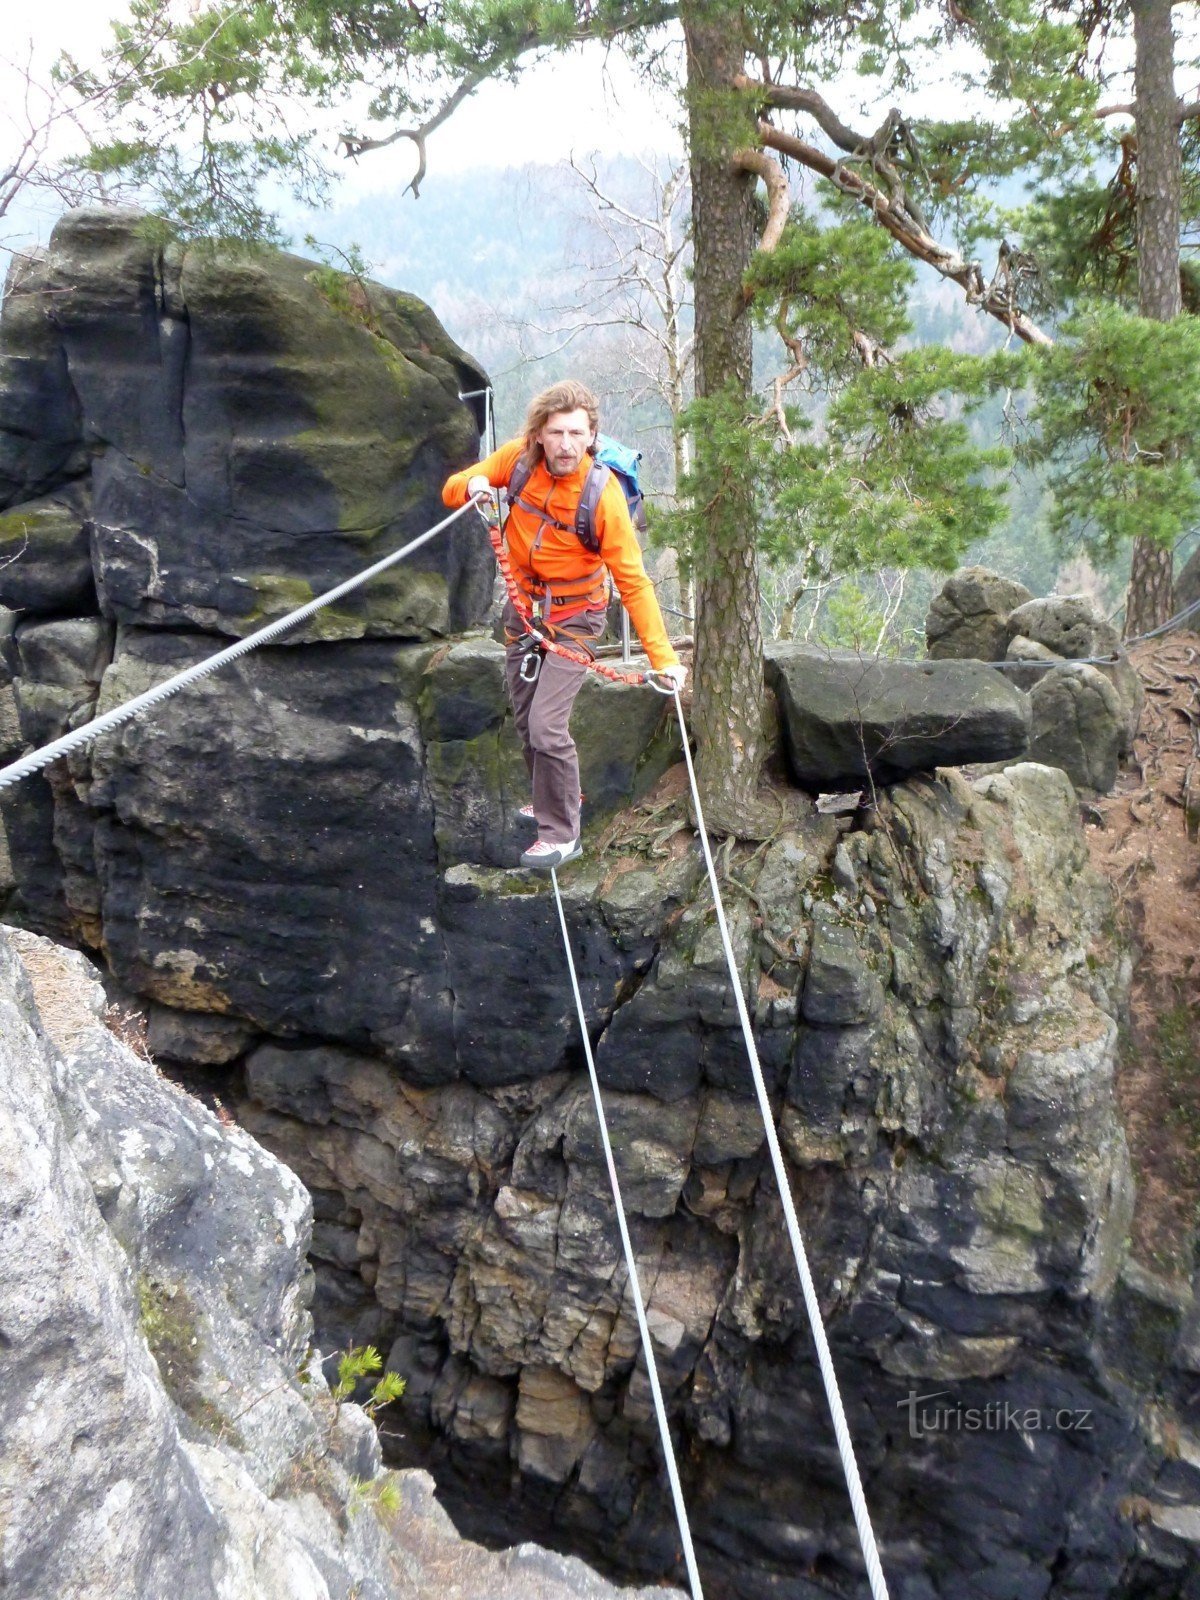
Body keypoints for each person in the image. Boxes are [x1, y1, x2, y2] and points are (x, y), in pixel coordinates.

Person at [442, 379, 686, 870]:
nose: (567, 444)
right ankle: (557, 795)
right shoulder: (517, 461)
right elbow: (452, 489)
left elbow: (634, 581)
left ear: (592, 435)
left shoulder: (603, 494)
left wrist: (664, 659)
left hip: (577, 614)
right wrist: (474, 484)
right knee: (525, 717)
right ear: (538, 435)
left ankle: (560, 835)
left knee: (547, 725)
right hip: (524, 607)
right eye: (556, 433)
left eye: (577, 433)